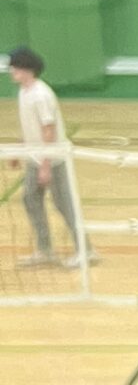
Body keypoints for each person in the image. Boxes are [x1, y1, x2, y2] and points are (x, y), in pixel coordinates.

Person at [8, 46, 82, 268]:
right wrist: (20, 152)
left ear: (26, 69)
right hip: (34, 158)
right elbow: (29, 126)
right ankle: (45, 250)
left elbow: (48, 129)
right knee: (30, 198)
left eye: (14, 67)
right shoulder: (24, 92)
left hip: (53, 159)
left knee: (63, 204)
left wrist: (46, 165)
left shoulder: (41, 95)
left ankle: (86, 250)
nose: (11, 71)